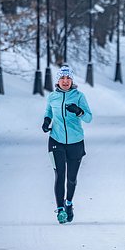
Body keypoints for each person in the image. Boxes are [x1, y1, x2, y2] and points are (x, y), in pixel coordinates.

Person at [41, 66, 92, 224]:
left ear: (72, 81)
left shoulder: (79, 96)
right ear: (58, 80)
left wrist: (78, 111)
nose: (65, 81)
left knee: (71, 178)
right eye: (62, 79)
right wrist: (46, 122)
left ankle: (69, 203)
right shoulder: (52, 97)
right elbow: (48, 112)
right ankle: (60, 210)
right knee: (59, 175)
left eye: (68, 78)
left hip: (76, 142)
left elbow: (89, 118)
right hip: (56, 140)